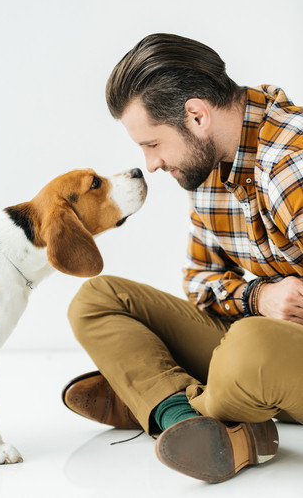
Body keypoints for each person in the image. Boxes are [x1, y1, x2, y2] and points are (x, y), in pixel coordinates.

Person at [62, 33, 303, 483]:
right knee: (97, 298)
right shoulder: (209, 169)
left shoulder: (292, 166)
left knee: (249, 346)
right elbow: (199, 281)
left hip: (272, 357)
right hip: (254, 347)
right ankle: (188, 419)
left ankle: (160, 399)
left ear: (196, 115)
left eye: (153, 144)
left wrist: (266, 324)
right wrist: (259, 296)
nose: (149, 164)